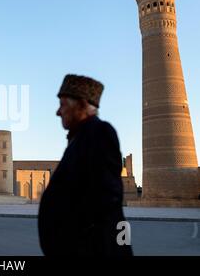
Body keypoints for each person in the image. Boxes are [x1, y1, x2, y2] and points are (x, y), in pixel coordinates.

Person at [38, 74, 133, 256]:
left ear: (81, 105)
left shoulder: (100, 132)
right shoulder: (80, 137)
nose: (58, 112)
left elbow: (105, 199)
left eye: (63, 105)